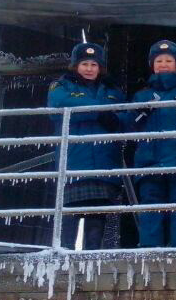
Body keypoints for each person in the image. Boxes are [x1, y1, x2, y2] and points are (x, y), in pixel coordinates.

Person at [125, 40, 176, 247]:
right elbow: (128, 125)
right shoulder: (141, 95)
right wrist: (140, 114)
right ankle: (149, 256)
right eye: (159, 60)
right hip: (149, 163)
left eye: (168, 60)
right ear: (152, 65)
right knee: (150, 211)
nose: (163, 64)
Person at [47, 42, 125, 249]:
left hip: (104, 164)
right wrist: (101, 111)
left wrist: (115, 119)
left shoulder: (112, 90)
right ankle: (63, 256)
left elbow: (125, 116)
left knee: (96, 220)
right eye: (84, 64)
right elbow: (58, 105)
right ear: (75, 66)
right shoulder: (62, 86)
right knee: (69, 217)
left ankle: (90, 259)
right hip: (74, 162)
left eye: (94, 64)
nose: (89, 69)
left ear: (100, 68)